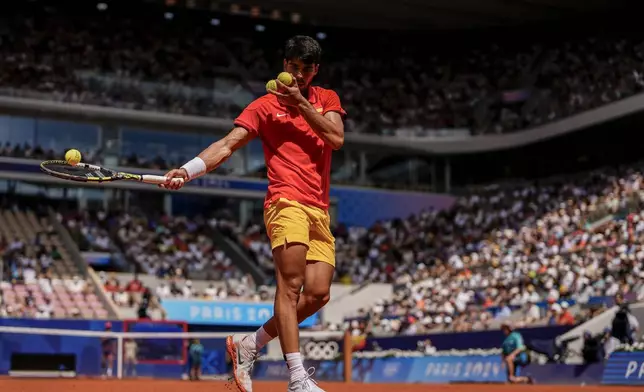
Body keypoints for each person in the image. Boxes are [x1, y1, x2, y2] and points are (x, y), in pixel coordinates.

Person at [161, 35, 345, 392]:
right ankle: (297, 378)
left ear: (315, 70)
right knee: (290, 288)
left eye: (306, 69)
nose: (298, 74)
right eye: (292, 66)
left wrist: (302, 104)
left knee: (318, 294)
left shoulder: (327, 99)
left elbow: (336, 138)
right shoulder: (263, 107)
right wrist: (187, 170)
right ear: (284, 64)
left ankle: (250, 343)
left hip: (318, 209)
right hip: (285, 201)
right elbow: (227, 144)